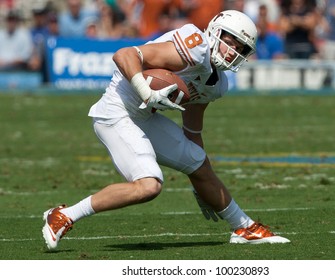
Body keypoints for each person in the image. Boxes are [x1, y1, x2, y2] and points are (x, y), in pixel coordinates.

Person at [42, 10, 290, 250]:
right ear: (215, 32)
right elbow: (124, 55)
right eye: (230, 42)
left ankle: (243, 228)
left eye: (241, 49)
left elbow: (193, 130)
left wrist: (200, 184)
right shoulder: (195, 46)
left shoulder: (217, 84)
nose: (233, 52)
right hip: (117, 111)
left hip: (145, 116)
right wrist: (145, 90)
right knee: (149, 185)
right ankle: (64, 215)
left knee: (199, 161)